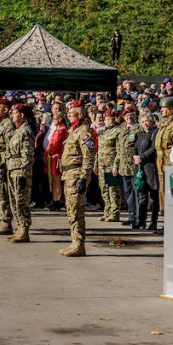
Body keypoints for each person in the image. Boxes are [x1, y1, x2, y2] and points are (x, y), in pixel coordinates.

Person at [59, 100, 96, 256]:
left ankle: (79, 243)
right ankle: (75, 240)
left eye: (71, 111)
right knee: (71, 210)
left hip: (76, 175)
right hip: (69, 175)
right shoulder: (73, 131)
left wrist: (84, 177)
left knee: (76, 210)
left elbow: (88, 156)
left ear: (80, 114)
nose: (68, 114)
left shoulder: (84, 132)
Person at [6, 104, 35, 243]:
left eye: (14, 113)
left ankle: (24, 229)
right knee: (14, 201)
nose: (12, 115)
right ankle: (19, 228)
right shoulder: (16, 131)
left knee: (21, 201)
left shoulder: (26, 131)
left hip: (20, 171)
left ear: (22, 115)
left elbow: (27, 155)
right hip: (12, 169)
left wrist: (24, 172)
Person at [113, 104, 141, 227]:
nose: (129, 117)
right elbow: (118, 150)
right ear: (123, 117)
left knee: (136, 193)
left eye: (131, 115)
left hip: (134, 166)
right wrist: (115, 165)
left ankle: (138, 217)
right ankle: (131, 216)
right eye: (127, 115)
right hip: (124, 167)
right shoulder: (122, 129)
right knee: (128, 193)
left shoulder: (138, 128)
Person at [0, 97, 15, 234]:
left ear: (5, 109)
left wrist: (6, 163)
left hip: (3, 162)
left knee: (2, 192)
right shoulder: (0, 124)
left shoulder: (7, 125)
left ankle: (6, 222)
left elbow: (10, 146)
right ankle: (3, 221)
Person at [133, 112, 159, 230]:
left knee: (153, 197)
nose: (145, 124)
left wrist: (142, 157)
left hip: (151, 168)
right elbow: (134, 147)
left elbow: (154, 149)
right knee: (142, 197)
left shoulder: (155, 132)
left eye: (147, 121)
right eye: (143, 122)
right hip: (140, 169)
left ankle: (153, 222)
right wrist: (135, 156)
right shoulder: (139, 134)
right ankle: (141, 220)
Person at [95, 109, 122, 222]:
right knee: (104, 189)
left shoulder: (117, 131)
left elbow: (119, 150)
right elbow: (99, 150)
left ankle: (115, 213)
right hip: (102, 165)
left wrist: (116, 165)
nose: (104, 121)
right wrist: (96, 164)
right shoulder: (105, 132)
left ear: (112, 120)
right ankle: (107, 211)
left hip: (111, 165)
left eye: (107, 119)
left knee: (113, 190)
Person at [155, 97, 173, 215]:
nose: (161, 110)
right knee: (163, 191)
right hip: (162, 164)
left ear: (171, 109)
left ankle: (171, 219)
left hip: (170, 164)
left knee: (171, 193)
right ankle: (165, 216)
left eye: (163, 108)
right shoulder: (165, 122)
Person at [43, 111, 68, 211]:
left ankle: (57, 200)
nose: (53, 121)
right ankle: (55, 199)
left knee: (57, 180)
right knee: (53, 180)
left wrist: (47, 152)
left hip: (56, 157)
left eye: (55, 119)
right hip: (52, 157)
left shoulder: (62, 130)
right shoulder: (57, 129)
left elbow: (55, 144)